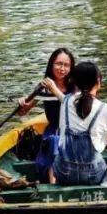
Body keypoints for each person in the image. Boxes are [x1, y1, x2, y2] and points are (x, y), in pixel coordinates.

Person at [51, 61, 107, 186]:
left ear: (75, 82)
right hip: (93, 175)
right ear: (98, 81)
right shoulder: (104, 109)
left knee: (57, 156)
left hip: (64, 173)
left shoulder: (65, 102)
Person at [17, 48, 76, 182]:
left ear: (71, 68)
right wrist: (22, 103)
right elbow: (23, 111)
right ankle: (53, 185)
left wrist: (54, 89)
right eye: (58, 64)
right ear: (51, 65)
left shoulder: (75, 87)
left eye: (66, 65)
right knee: (54, 141)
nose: (62, 68)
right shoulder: (44, 86)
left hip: (73, 130)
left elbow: (74, 108)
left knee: (59, 142)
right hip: (53, 129)